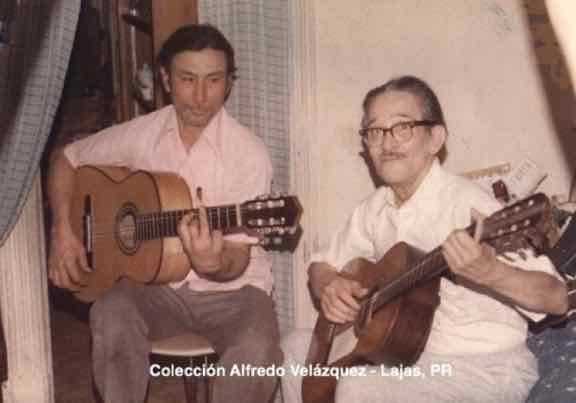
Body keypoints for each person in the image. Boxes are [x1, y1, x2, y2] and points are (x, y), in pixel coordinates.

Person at [281, 75, 569, 403]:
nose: (387, 143)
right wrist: (330, 286)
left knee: (360, 387)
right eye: (374, 131)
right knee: (293, 351)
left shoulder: (471, 207)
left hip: (482, 367)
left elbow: (557, 297)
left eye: (402, 128)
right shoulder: (375, 207)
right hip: (406, 356)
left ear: (435, 139)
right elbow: (320, 265)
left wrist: (491, 272)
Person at [47, 24, 282, 403]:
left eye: (214, 80)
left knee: (259, 355)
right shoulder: (144, 133)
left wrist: (212, 261)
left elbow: (237, 260)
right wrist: (63, 230)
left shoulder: (249, 154)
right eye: (188, 79)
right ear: (165, 79)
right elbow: (67, 159)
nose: (201, 96)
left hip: (233, 293)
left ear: (229, 83)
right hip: (155, 287)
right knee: (110, 312)